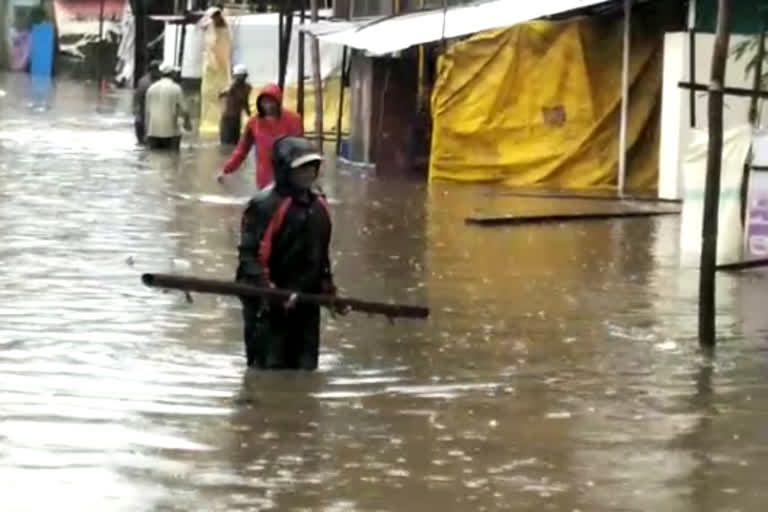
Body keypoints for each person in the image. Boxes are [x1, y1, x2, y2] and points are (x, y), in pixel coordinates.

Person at [236, 136, 342, 370]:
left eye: (312, 167)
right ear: (285, 170)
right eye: (301, 168)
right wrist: (270, 292)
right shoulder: (265, 204)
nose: (308, 174)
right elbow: (249, 257)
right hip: (267, 304)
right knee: (268, 370)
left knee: (305, 369)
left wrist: (327, 285)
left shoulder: (319, 204)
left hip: (307, 300)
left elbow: (320, 252)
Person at [218, 83, 303, 189]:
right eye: (265, 102)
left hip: (287, 178)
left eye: (272, 102)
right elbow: (241, 150)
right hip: (264, 179)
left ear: (278, 101)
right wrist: (226, 170)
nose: (268, 106)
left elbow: (301, 151)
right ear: (259, 103)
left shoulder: (293, 120)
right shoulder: (254, 123)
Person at [145, 62, 192, 151]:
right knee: (172, 160)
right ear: (172, 74)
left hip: (153, 132)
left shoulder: (151, 88)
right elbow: (185, 110)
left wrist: (146, 132)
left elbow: (147, 112)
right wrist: (187, 123)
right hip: (171, 132)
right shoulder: (176, 88)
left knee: (154, 159)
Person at [218, 64, 252, 145]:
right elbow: (220, 94)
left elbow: (245, 102)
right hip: (227, 119)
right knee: (226, 144)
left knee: (235, 143)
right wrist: (230, 88)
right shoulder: (231, 87)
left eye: (242, 76)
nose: (239, 79)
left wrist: (250, 116)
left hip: (236, 118)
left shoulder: (247, 88)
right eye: (238, 77)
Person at [132, 60, 160, 145]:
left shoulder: (158, 81)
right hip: (144, 111)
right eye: (158, 70)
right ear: (153, 70)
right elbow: (137, 97)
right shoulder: (145, 82)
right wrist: (136, 110)